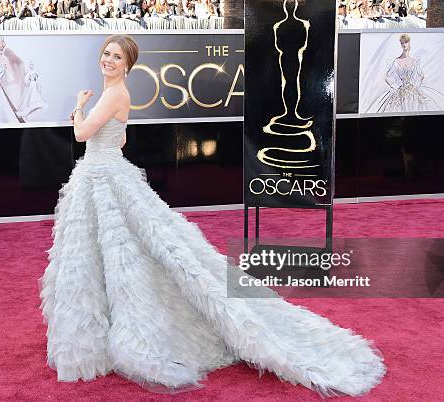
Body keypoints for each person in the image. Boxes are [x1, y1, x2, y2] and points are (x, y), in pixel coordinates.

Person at [38, 34, 386, 397]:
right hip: (105, 176)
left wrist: (78, 108)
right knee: (120, 254)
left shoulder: (112, 94)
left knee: (118, 255)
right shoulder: (118, 95)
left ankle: (119, 330)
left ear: (128, 64)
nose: (108, 60)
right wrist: (99, 131)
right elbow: (120, 140)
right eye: (105, 54)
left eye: (116, 56)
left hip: (102, 178)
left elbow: (80, 134)